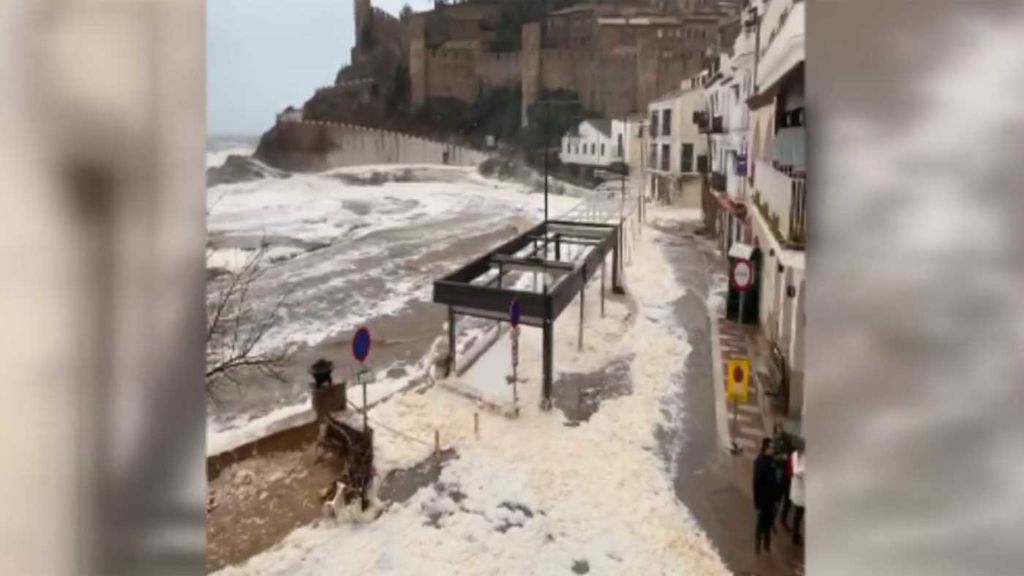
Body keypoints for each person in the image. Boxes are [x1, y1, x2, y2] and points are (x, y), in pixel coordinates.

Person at [752, 437, 777, 554]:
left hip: (770, 499)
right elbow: (756, 484)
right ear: (766, 448)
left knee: (769, 521)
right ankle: (758, 543)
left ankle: (767, 544)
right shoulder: (759, 463)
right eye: (772, 447)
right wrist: (757, 504)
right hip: (763, 500)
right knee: (761, 523)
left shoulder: (770, 460)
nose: (773, 449)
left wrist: (775, 499)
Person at [772, 424, 794, 530]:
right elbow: (772, 457)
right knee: (777, 499)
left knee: (788, 500)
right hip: (780, 474)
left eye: (781, 428)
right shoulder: (775, 441)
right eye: (778, 428)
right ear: (775, 430)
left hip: (789, 474)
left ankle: (783, 520)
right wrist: (781, 457)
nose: (780, 430)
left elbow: (793, 449)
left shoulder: (788, 438)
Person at [789, 442, 806, 546]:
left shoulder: (798, 456)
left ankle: (796, 535)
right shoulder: (797, 457)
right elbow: (799, 474)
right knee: (798, 515)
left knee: (798, 515)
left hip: (799, 492)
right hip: (800, 493)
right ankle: (795, 537)